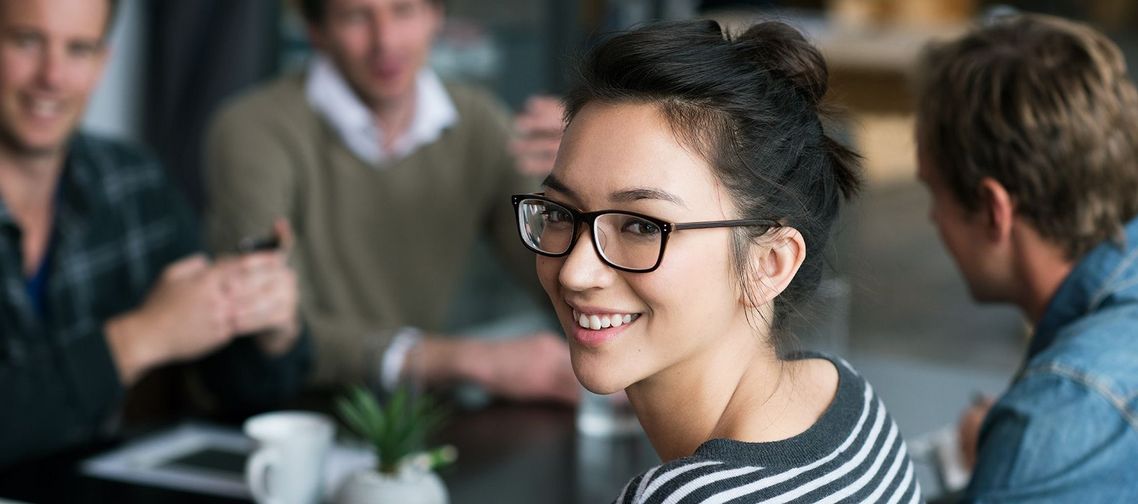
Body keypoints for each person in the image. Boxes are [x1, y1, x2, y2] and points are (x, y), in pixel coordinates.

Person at [516, 19, 921, 502]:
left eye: (642, 226)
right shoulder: (848, 403)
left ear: (770, 262)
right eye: (561, 212)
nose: (575, 271)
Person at [205, 0, 577, 402]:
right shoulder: (254, 128)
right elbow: (275, 323)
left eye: (404, 10)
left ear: (436, 16)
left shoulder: (478, 122)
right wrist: (468, 359)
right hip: (284, 412)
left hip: (413, 416)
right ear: (317, 32)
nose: (386, 41)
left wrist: (583, 184)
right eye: (355, 17)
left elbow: (558, 280)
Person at [0, 0, 309, 468]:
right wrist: (141, 337)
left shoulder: (133, 183)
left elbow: (239, 389)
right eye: (27, 42)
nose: (53, 76)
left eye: (79, 49)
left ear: (103, 62)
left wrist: (268, 327)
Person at [915, 14, 1138, 501]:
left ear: (995, 210)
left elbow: (1071, 414)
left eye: (935, 193)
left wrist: (1020, 452)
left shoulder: (1062, 410)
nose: (933, 218)